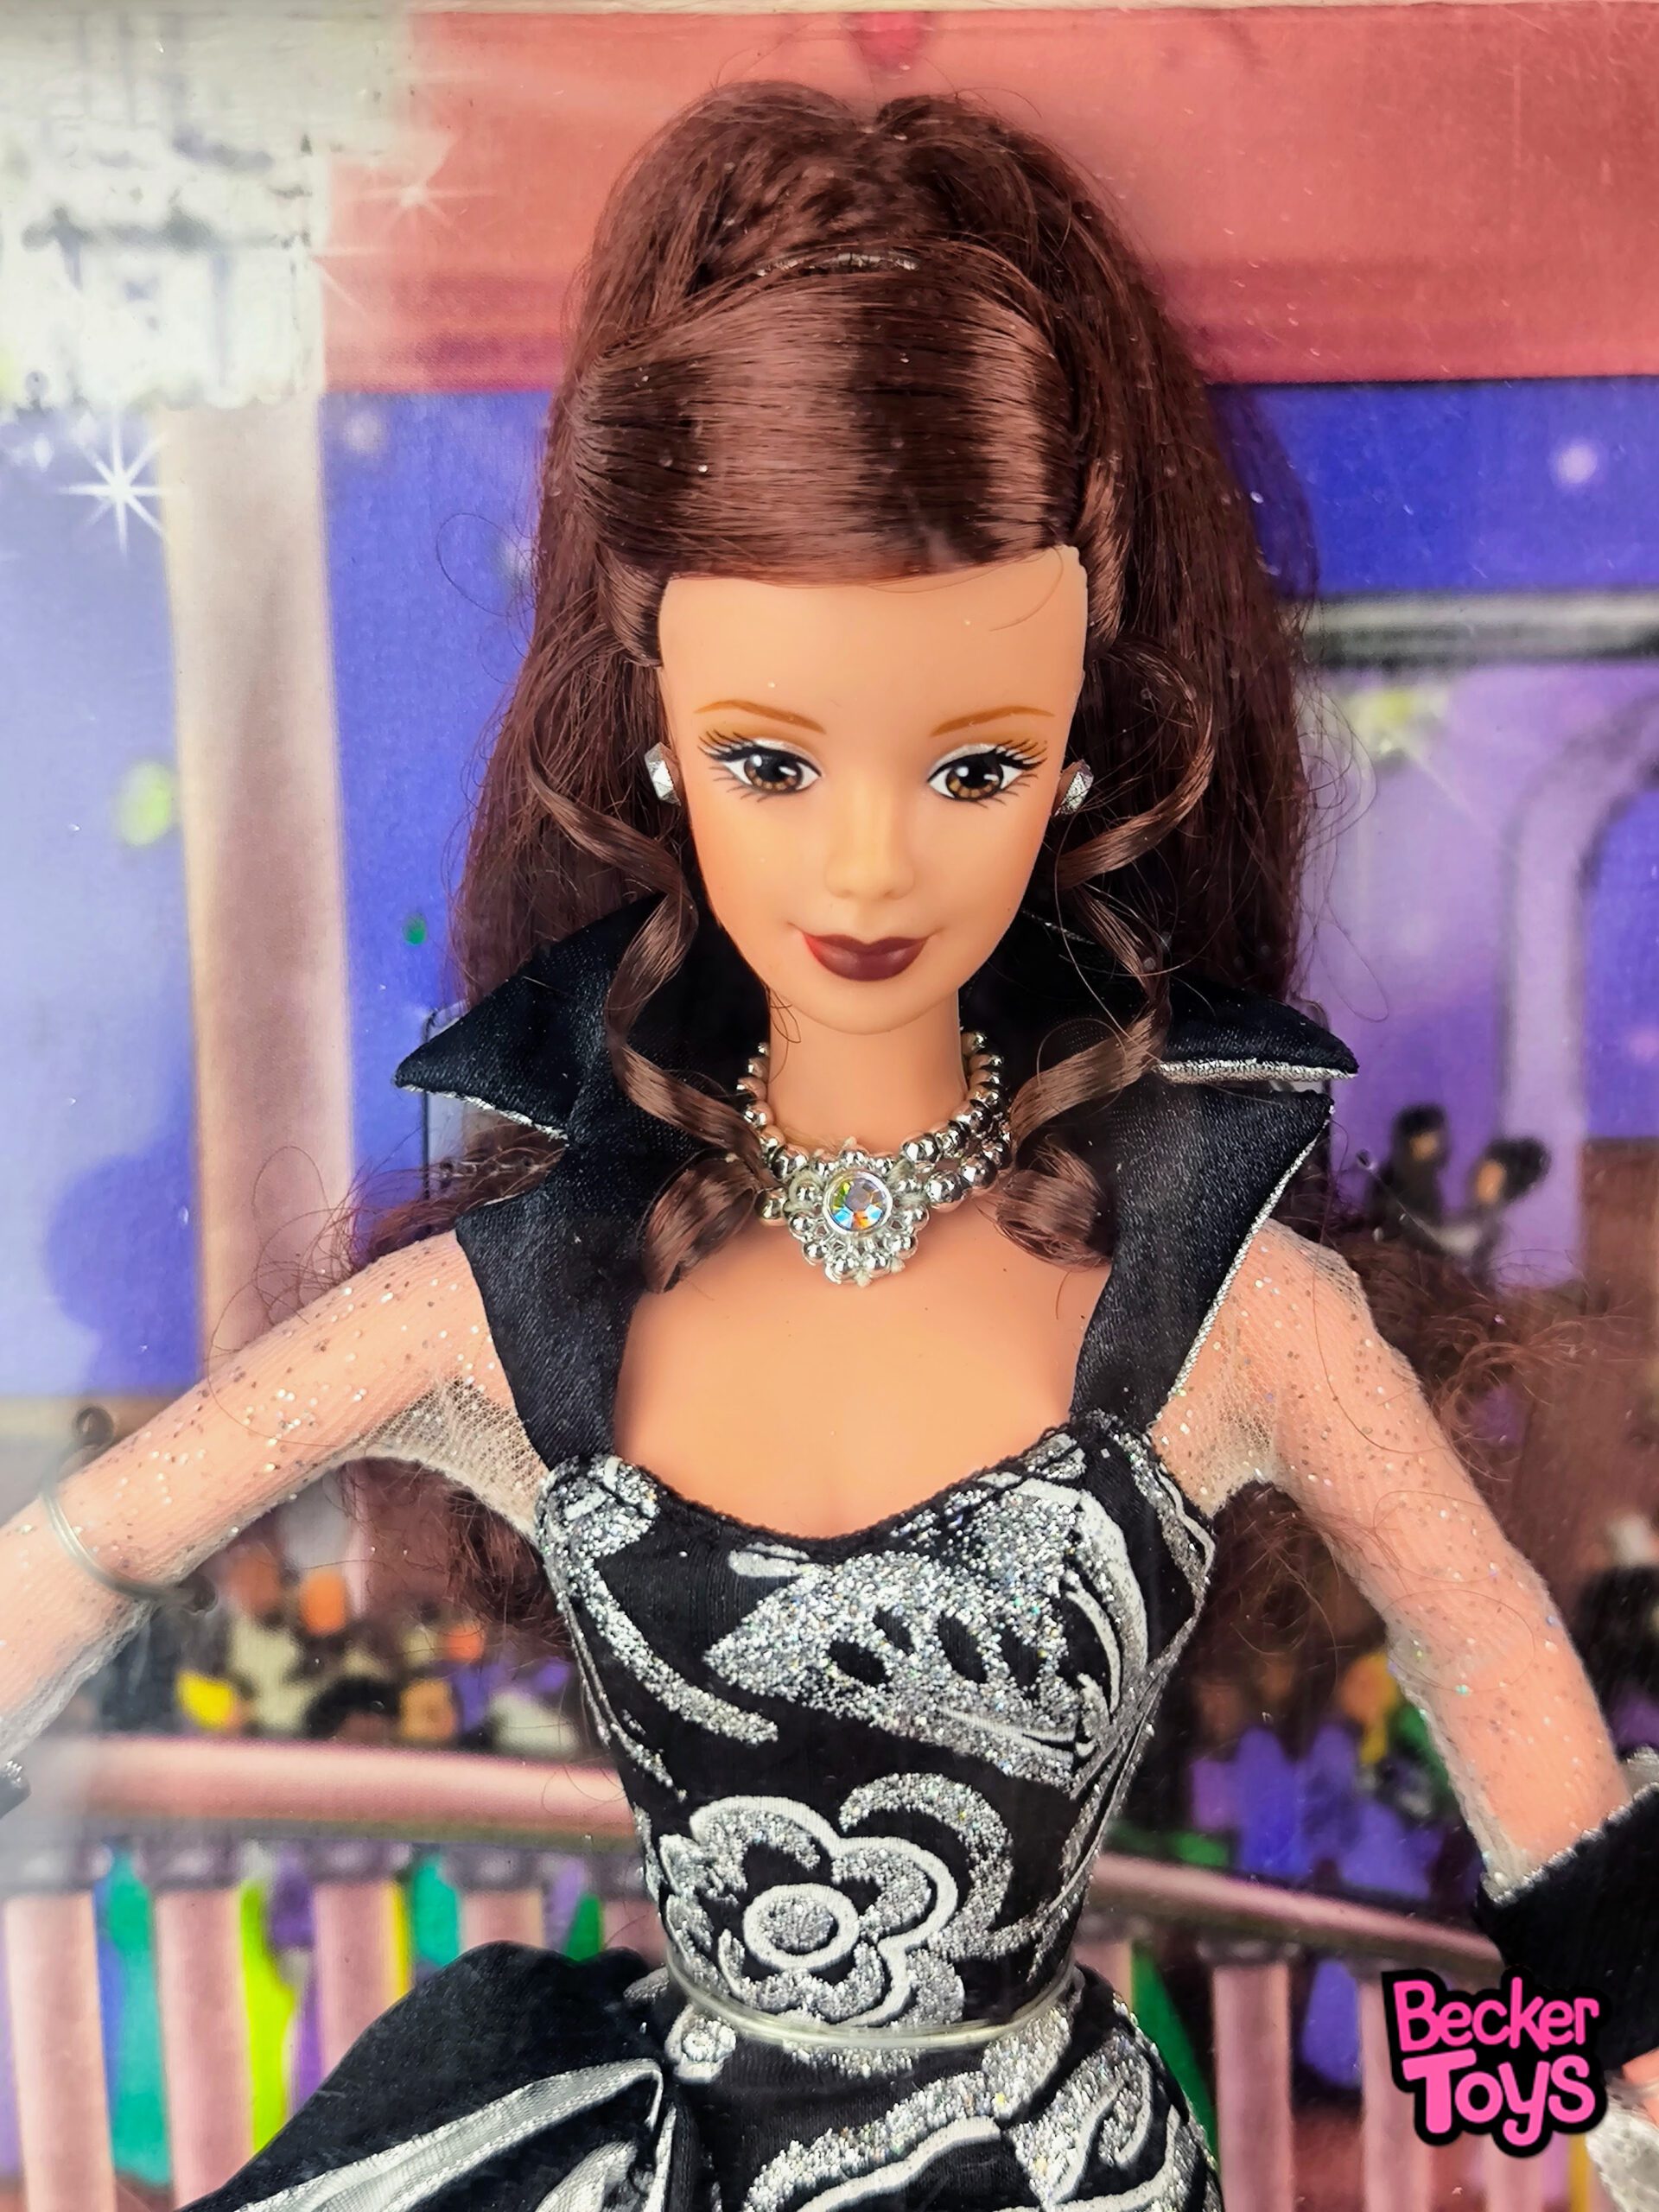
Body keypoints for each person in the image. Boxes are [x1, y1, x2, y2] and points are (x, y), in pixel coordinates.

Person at [2, 81, 1655, 2212]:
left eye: (973, 765)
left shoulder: (1220, 1295)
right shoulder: (521, 1306)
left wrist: (1607, 2064)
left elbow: (1489, 1654)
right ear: (660, 733)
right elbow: (96, 1543)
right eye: (773, 760)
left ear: (1076, 755)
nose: (868, 867)